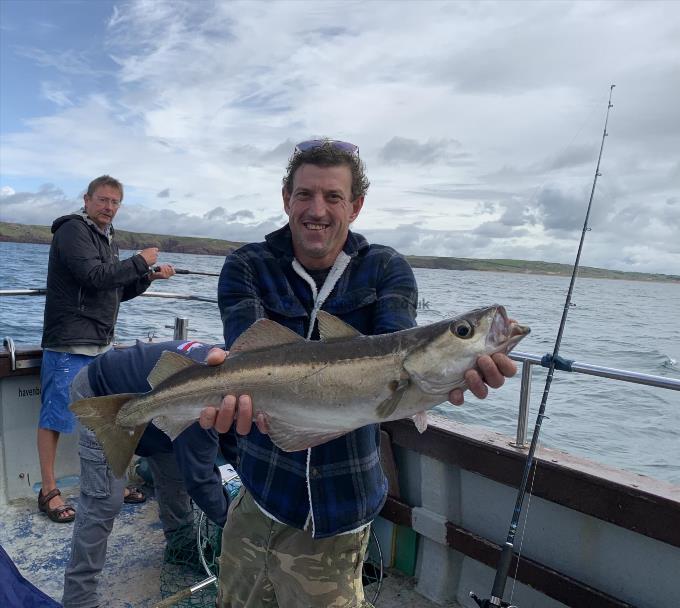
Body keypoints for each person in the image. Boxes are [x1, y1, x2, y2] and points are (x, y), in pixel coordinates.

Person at [201, 139, 517, 608]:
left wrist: (450, 375)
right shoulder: (248, 265)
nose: (317, 210)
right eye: (305, 195)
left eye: (333, 197)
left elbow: (394, 351)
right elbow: (248, 352)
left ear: (356, 206)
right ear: (286, 198)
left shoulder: (386, 269)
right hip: (259, 488)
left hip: (340, 505)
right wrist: (230, 393)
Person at [37, 175, 175, 523]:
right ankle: (48, 490)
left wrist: (146, 278)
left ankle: (111, 482)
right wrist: (140, 262)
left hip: (100, 342)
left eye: (114, 202)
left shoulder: (107, 239)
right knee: (56, 416)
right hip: (69, 340)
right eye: (102, 200)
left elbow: (113, 290)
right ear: (86, 200)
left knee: (109, 416)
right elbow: (94, 277)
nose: (108, 207)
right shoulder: (72, 231)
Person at [62, 339, 231, 608]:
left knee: (175, 479)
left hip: (157, 412)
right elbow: (201, 481)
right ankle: (78, 597)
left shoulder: (233, 374)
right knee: (104, 500)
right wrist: (237, 525)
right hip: (105, 396)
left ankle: (181, 545)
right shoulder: (209, 397)